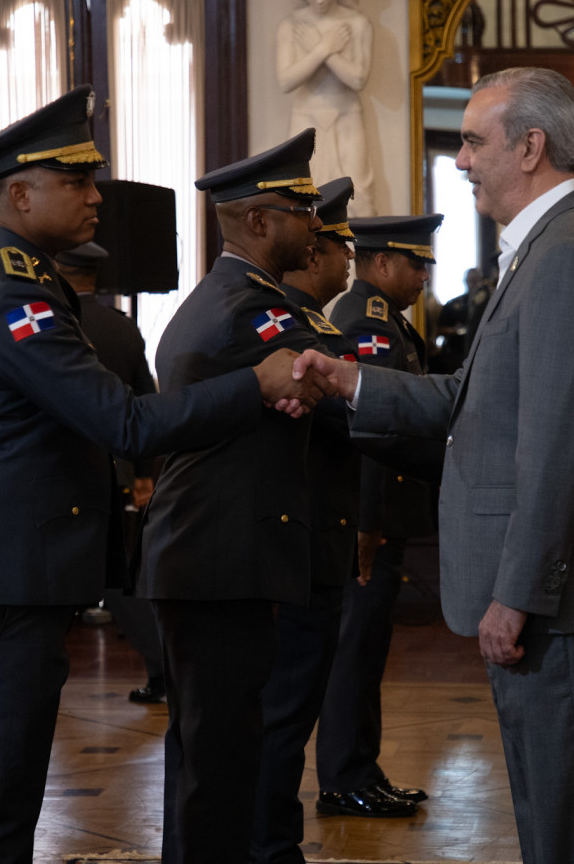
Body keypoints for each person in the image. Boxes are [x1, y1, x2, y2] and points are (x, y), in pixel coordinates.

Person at [0, 87, 331, 864]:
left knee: (3, 796)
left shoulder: (0, 277)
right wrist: (255, 383)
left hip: (0, 567)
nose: (97, 197)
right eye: (76, 182)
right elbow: (124, 424)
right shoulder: (13, 294)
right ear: (20, 194)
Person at [295, 67, 574, 863]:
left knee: (569, 816)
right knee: (550, 808)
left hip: (554, 599)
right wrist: (352, 380)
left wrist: (515, 595)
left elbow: (558, 450)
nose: (460, 161)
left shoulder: (571, 255)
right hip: (551, 593)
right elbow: (471, 400)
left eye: (472, 142)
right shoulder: (546, 247)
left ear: (530, 148)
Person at [136, 127, 344, 864]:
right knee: (218, 764)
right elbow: (335, 379)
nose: (315, 224)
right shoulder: (249, 311)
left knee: (209, 754)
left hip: (210, 555)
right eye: (300, 210)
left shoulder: (229, 297)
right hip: (218, 560)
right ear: (257, 220)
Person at [251, 175, 376, 859]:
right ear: (311, 251)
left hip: (319, 544)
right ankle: (270, 849)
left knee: (293, 712)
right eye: (338, 245)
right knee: (281, 715)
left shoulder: (316, 327)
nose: (348, 259)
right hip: (294, 552)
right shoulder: (286, 329)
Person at [314, 213, 443, 818]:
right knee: (355, 652)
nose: (424, 275)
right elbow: (366, 431)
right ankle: (345, 779)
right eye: (416, 263)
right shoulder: (365, 322)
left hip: (383, 516)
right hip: (370, 521)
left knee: (367, 651)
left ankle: (362, 769)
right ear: (382, 262)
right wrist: (367, 524)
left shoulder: (384, 317)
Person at [55, 240, 165, 704]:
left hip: (60, 473)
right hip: (115, 473)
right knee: (118, 581)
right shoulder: (121, 327)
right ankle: (163, 670)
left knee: (56, 583)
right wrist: (142, 474)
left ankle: (40, 681)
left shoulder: (55, 320)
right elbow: (145, 402)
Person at [277, 0, 375, 215]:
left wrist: (324, 50)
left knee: (358, 198)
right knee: (302, 197)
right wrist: (323, 48)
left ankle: (354, 238)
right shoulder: (291, 25)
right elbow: (286, 81)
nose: (320, 0)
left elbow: (358, 79)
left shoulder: (357, 23)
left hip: (347, 117)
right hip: (306, 120)